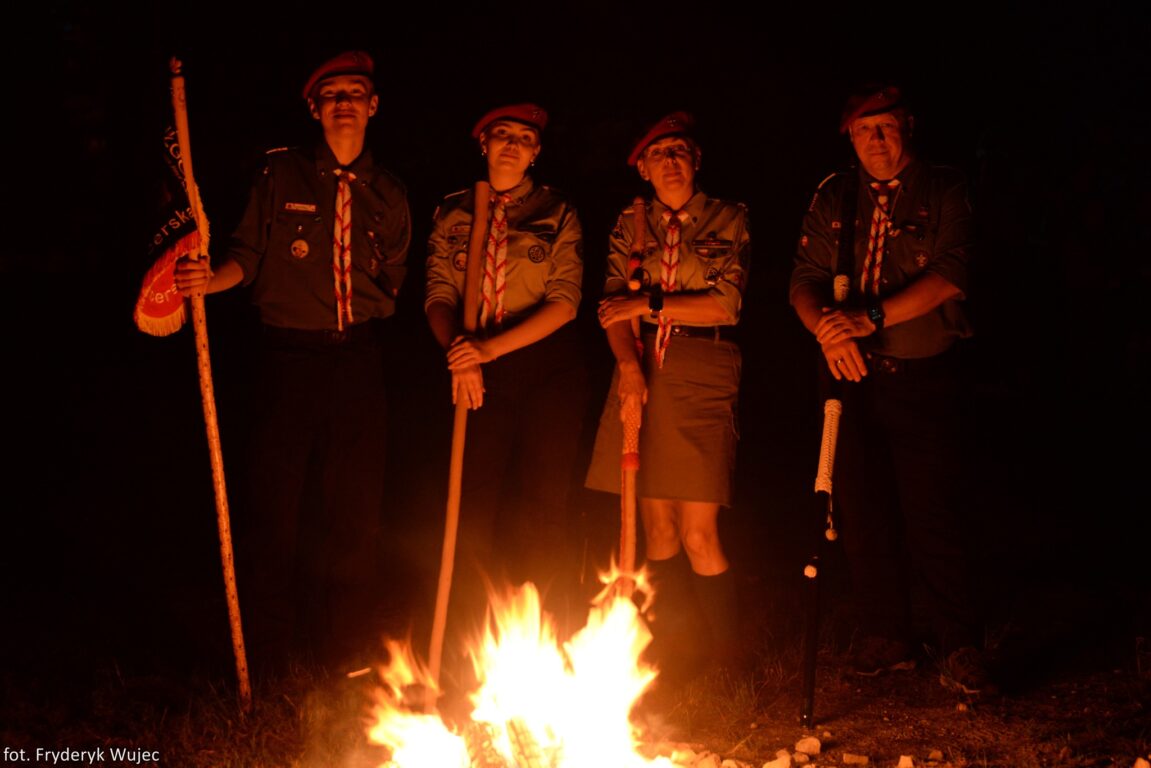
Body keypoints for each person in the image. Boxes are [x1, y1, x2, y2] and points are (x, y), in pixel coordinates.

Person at [174, 50, 411, 672]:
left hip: (357, 360)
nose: (343, 103)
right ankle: (268, 651)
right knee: (274, 510)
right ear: (314, 108)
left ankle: (343, 651)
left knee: (353, 512)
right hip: (288, 359)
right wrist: (209, 279)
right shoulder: (278, 176)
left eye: (354, 92)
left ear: (373, 105)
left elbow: (392, 282)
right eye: (330, 94)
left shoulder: (390, 193)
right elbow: (245, 256)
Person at [789, 83, 991, 692]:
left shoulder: (945, 187)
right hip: (851, 380)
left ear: (907, 125)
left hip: (922, 373)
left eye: (885, 127)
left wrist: (869, 319)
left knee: (932, 512)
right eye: (861, 130)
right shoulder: (835, 193)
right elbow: (804, 280)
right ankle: (888, 635)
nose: (874, 141)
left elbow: (951, 275)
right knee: (862, 511)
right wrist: (828, 331)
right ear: (848, 137)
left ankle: (959, 644)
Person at [585, 112, 750, 677]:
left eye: (679, 150)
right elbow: (611, 308)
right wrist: (628, 367)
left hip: (703, 365)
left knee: (699, 531)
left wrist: (648, 305)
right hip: (642, 369)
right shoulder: (630, 226)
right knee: (657, 530)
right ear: (644, 169)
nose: (671, 161)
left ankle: (729, 665)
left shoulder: (728, 218)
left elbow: (723, 304)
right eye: (659, 154)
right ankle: (678, 661)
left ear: (696, 160)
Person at [425, 103, 587, 631]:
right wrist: (461, 355)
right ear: (484, 144)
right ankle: (467, 638)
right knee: (472, 509)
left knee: (542, 509)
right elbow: (438, 295)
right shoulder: (454, 211)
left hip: (543, 366)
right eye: (502, 135)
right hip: (473, 362)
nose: (512, 145)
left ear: (536, 151)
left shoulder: (556, 211)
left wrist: (488, 352)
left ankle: (539, 636)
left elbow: (565, 302)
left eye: (524, 138)